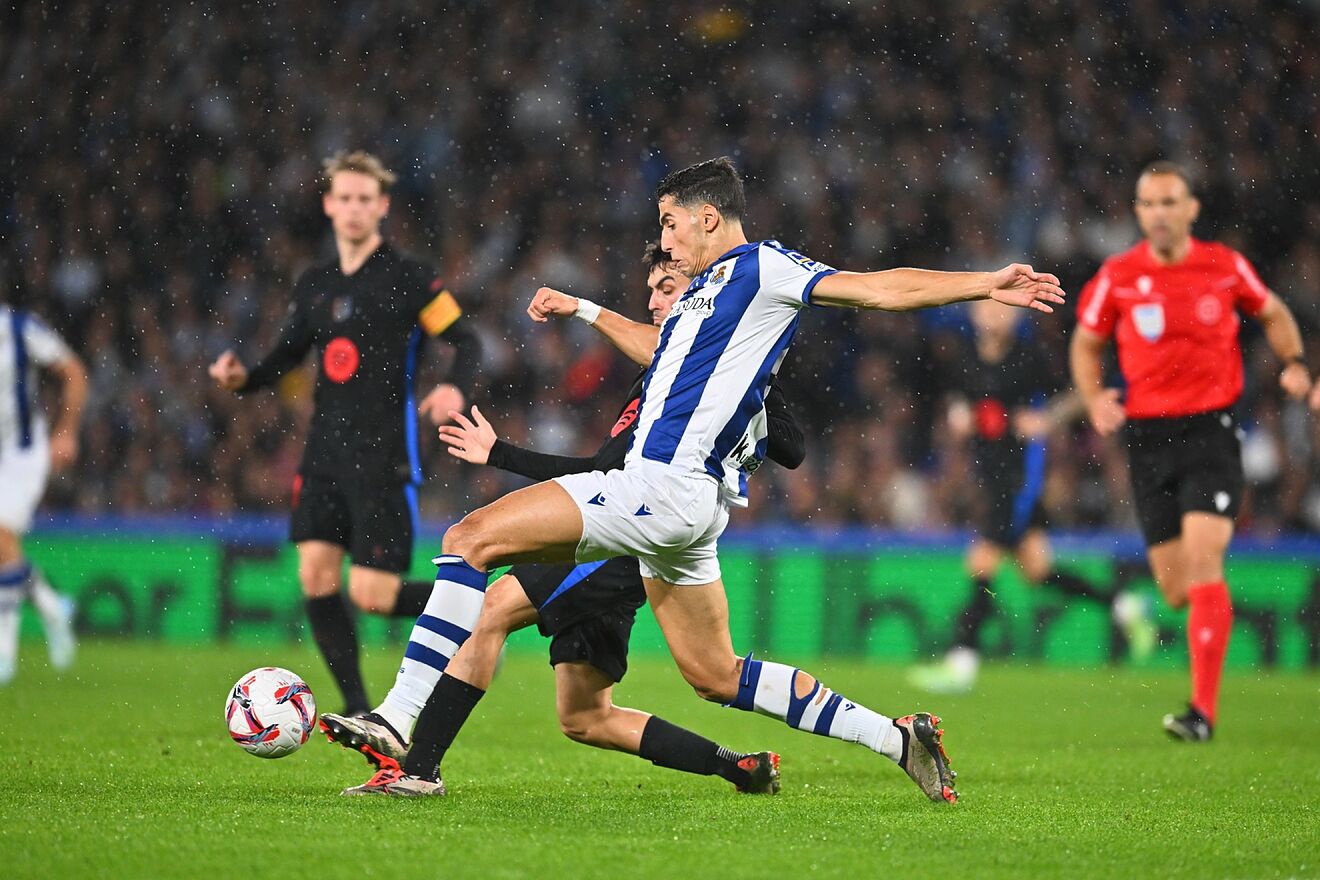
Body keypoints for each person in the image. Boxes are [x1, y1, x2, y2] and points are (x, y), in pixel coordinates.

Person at [346, 157, 1064, 804]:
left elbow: (875, 290)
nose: (666, 238)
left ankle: (400, 721)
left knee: (471, 537)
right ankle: (897, 739)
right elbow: (657, 345)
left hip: (657, 485)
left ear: (707, 217)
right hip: (689, 513)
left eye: (669, 222)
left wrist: (984, 285)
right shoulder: (703, 295)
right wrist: (585, 309)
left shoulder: (762, 269)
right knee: (717, 676)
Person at [323, 242, 803, 796]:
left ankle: (414, 765)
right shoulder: (659, 380)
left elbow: (788, 447)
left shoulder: (693, 385)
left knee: (492, 608)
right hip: (628, 538)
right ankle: (736, 766)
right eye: (649, 289)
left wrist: (503, 454)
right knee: (585, 718)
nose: (650, 302)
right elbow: (610, 467)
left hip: (625, 538)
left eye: (665, 290)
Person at [208, 151, 481, 715]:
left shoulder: (411, 279)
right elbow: (285, 354)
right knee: (315, 576)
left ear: (381, 206)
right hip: (325, 453)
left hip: (384, 455)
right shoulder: (314, 284)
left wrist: (454, 386)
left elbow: (467, 341)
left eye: (365, 199)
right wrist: (245, 379)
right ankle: (357, 711)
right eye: (345, 198)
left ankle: (485, 608)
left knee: (373, 597)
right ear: (329, 205)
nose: (354, 209)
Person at [1070, 161, 1311, 742]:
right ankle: (1201, 652)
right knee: (1176, 589)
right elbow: (1085, 341)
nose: (1158, 214)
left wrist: (1296, 364)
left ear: (1192, 208)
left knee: (1205, 562)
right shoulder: (1118, 275)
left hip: (1211, 434)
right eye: (1148, 204)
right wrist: (1093, 397)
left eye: (1169, 202)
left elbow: (1275, 313)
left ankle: (1202, 713)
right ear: (1137, 212)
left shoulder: (1224, 268)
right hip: (1148, 441)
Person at [911, 299, 1156, 694]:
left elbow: (1083, 390)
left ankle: (962, 662)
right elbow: (959, 402)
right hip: (990, 478)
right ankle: (1124, 605)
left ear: (1016, 317)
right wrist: (958, 414)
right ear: (974, 315)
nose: (995, 315)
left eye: (1003, 310)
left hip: (1020, 478)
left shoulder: (1031, 359)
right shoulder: (964, 361)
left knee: (981, 564)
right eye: (988, 308)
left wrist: (1049, 419)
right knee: (1038, 572)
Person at [0, 296, 86, 684]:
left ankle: (4, 655)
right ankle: (53, 608)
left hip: (22, 453)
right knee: (5, 551)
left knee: (2, 539)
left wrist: (66, 430)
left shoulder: (20, 328)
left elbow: (74, 372)